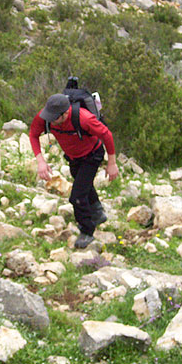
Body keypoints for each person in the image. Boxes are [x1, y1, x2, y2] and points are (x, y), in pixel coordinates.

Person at [29, 93, 119, 249]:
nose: (50, 121)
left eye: (54, 119)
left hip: (92, 155)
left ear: (65, 113)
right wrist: (40, 161)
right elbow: (33, 134)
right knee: (83, 184)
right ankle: (97, 213)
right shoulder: (46, 116)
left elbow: (106, 134)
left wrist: (112, 163)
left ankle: (87, 231)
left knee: (77, 196)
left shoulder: (83, 118)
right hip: (73, 157)